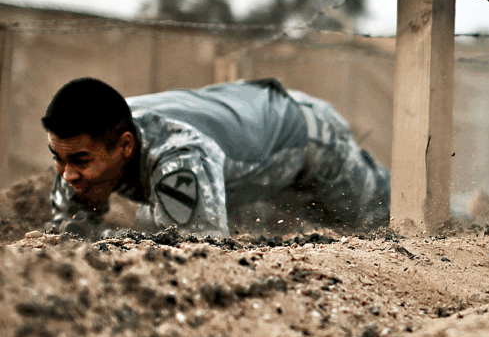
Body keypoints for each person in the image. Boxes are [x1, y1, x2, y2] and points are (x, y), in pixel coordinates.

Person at [42, 77, 390, 238]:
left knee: (373, 215)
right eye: (58, 159)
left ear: (126, 146)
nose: (67, 175)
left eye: (80, 163)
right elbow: (69, 230)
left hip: (305, 131)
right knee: (155, 219)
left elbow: (195, 249)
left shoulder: (180, 157)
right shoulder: (82, 145)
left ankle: (444, 213)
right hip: (243, 119)